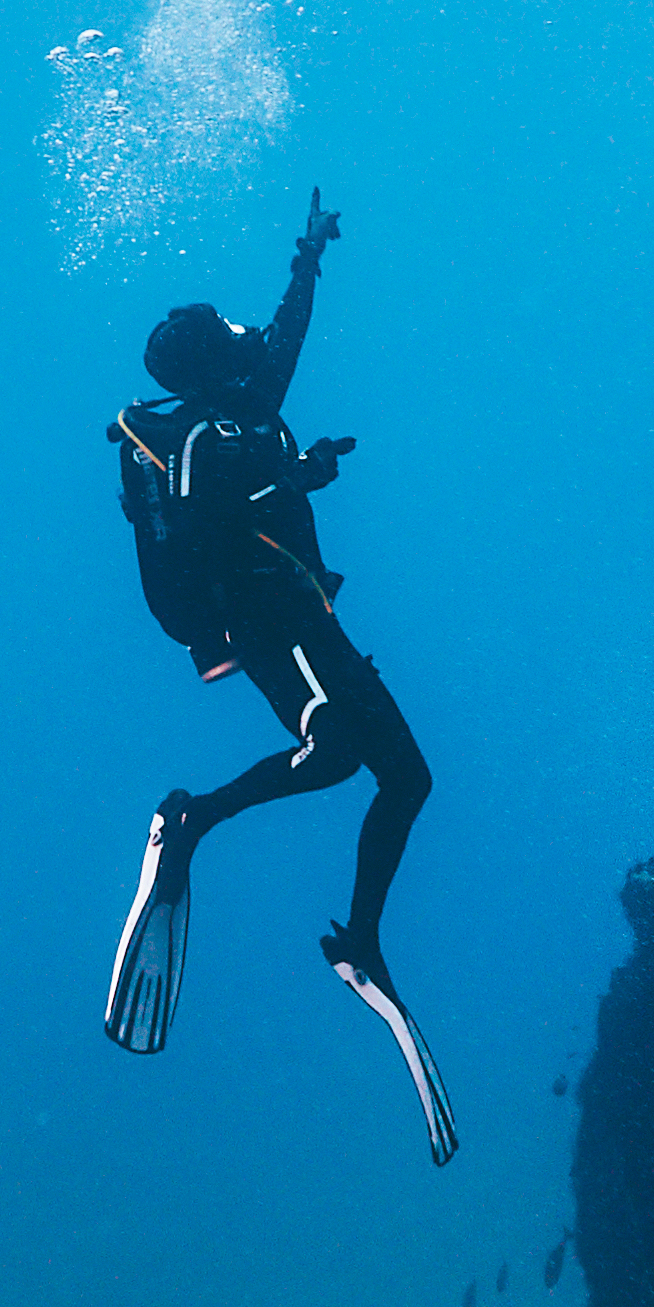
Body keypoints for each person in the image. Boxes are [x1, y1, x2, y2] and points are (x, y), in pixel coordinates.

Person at [107, 192, 456, 1160]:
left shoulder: (243, 406)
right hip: (265, 620)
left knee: (409, 776)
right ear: (213, 363)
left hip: (308, 613)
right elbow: (222, 508)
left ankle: (364, 940)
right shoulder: (202, 441)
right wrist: (299, 478)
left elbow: (287, 339)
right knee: (337, 751)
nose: (249, 337)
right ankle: (192, 818)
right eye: (231, 334)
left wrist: (309, 256)